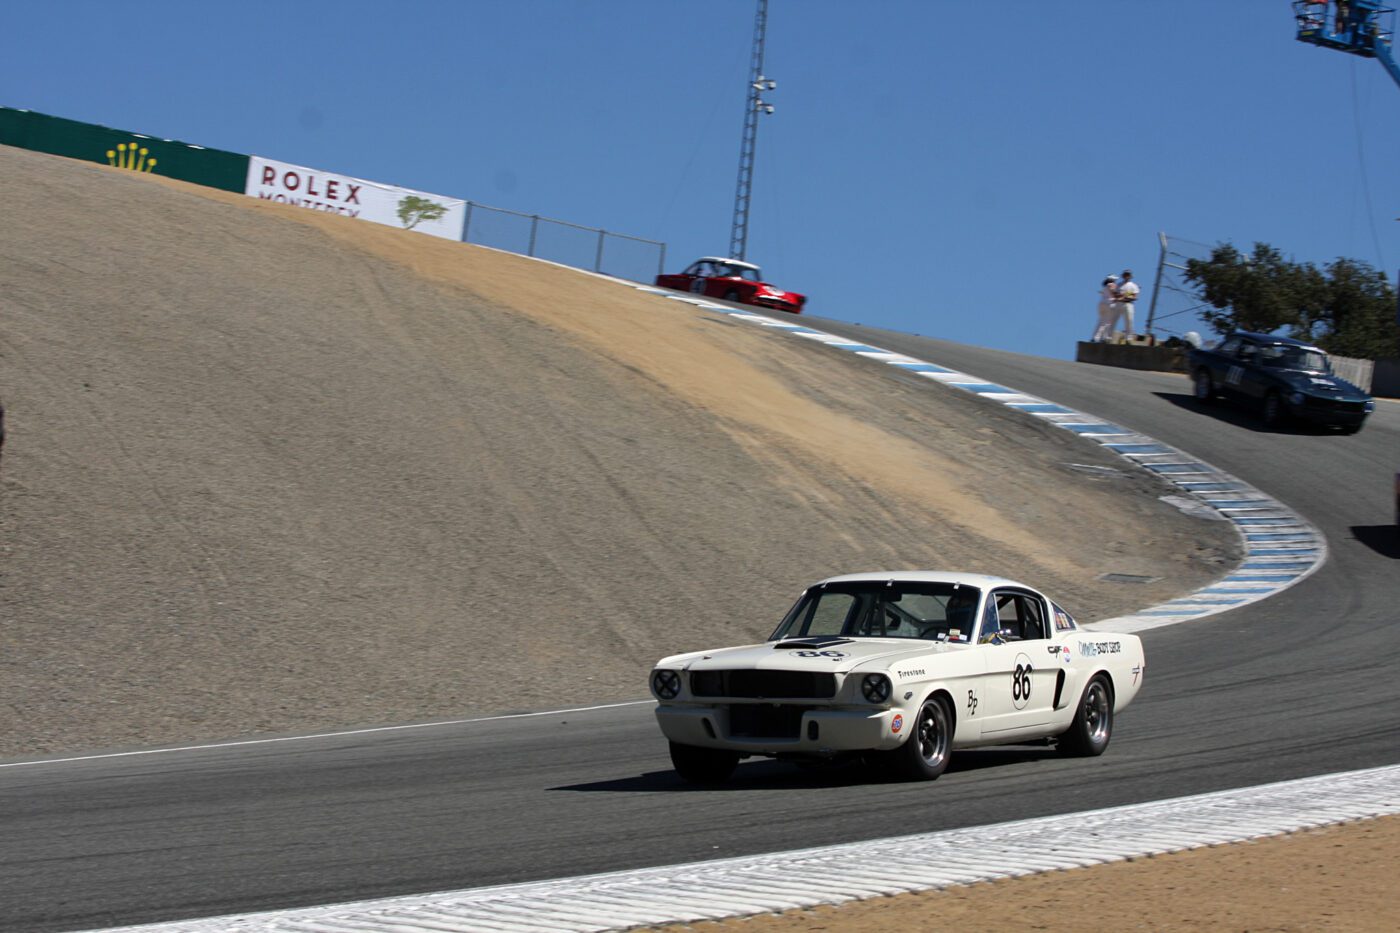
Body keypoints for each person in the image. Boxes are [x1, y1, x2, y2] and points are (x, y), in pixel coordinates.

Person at [1091, 274, 1119, 343]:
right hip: (1109, 304)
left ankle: (1095, 337)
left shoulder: (1105, 286)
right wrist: (1119, 296)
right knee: (1107, 323)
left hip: (1101, 304)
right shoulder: (1112, 284)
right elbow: (1113, 293)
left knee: (1101, 321)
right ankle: (1103, 338)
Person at [1114, 269, 1140, 341]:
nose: (1126, 276)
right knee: (1113, 320)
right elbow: (1116, 294)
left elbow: (1135, 296)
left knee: (1129, 321)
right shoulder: (1119, 285)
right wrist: (1121, 296)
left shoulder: (1134, 285)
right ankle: (1108, 337)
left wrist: (1125, 296)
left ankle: (1128, 339)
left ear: (1130, 276)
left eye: (1128, 275)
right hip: (1119, 304)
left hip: (1128, 304)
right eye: (1125, 274)